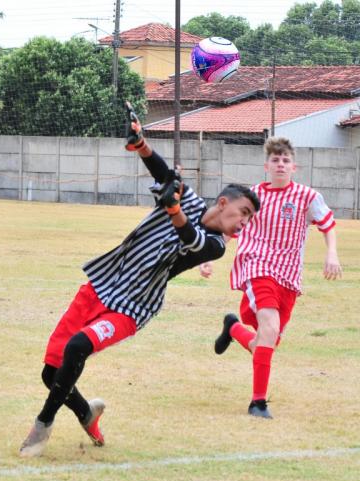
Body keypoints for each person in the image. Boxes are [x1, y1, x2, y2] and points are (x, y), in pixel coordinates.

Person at [19, 103, 260, 457]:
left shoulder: (216, 246)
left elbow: (190, 239)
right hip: (101, 284)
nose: (245, 223)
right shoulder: (189, 200)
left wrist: (172, 208)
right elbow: (164, 174)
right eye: (244, 213)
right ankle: (87, 414)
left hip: (133, 307)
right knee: (50, 373)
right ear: (223, 203)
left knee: (76, 348)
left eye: (250, 218)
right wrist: (142, 143)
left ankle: (42, 426)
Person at [212, 136, 341, 419]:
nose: (280, 164)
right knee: (269, 326)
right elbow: (232, 226)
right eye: (275, 160)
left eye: (285, 160)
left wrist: (332, 253)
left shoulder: (307, 197)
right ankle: (258, 402)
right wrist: (211, 256)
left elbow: (327, 224)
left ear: (294, 167)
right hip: (258, 265)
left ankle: (233, 328)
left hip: (289, 274)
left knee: (266, 341)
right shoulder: (254, 196)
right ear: (266, 166)